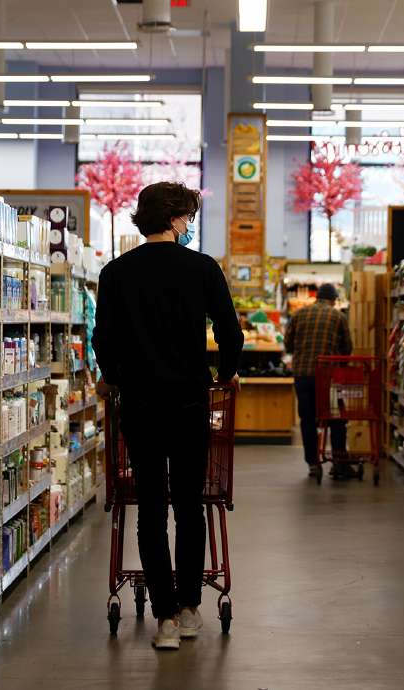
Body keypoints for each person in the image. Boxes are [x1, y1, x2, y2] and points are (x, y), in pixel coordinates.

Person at [91, 181, 243, 651]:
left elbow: (104, 340)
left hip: (139, 404)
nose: (189, 224)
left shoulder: (116, 273)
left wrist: (116, 376)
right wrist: (225, 372)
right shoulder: (201, 268)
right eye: (188, 216)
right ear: (177, 219)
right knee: (190, 505)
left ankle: (164, 619)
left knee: (151, 508)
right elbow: (230, 331)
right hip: (190, 402)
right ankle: (191, 606)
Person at [285, 283, 352, 479]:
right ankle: (339, 461)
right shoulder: (338, 316)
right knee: (336, 418)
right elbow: (347, 348)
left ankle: (313, 464)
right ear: (333, 300)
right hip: (328, 377)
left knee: (307, 420)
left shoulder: (298, 314)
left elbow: (288, 344)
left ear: (317, 297)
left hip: (303, 376)